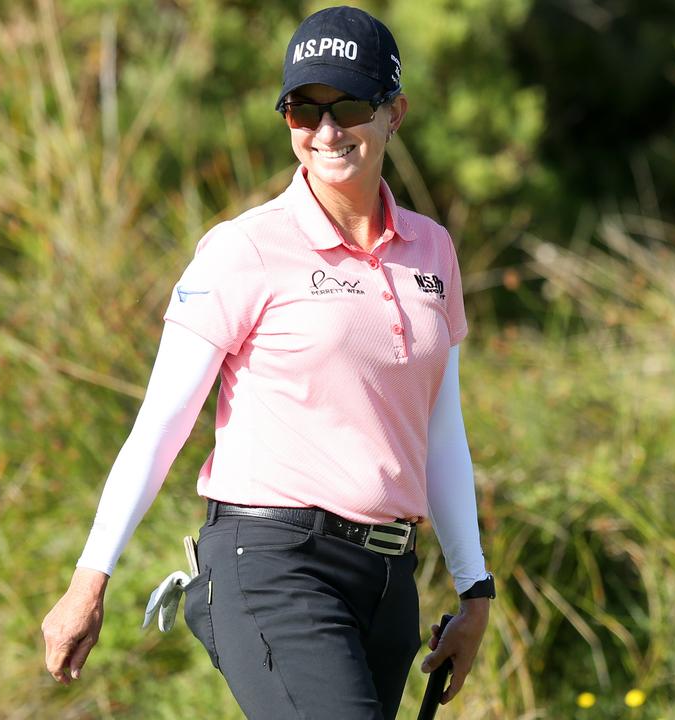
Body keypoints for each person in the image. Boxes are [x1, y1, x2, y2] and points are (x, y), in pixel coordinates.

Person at [40, 6, 495, 717]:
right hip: (273, 564)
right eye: (301, 111)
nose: (325, 132)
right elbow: (160, 425)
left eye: (347, 105)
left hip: (388, 581)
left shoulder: (433, 250)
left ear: (394, 113)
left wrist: (475, 590)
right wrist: (88, 579)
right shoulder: (244, 249)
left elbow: (441, 429)